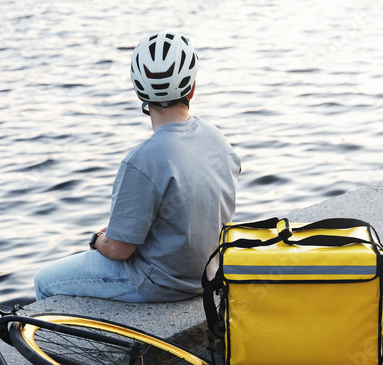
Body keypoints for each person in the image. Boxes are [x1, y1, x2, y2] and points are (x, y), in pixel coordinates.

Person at [34, 31, 241, 302]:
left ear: (139, 92)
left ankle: (50, 345)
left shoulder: (141, 161)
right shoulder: (218, 138)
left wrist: (97, 239)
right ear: (192, 88)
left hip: (161, 283)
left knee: (45, 281)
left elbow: (120, 251)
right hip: (209, 274)